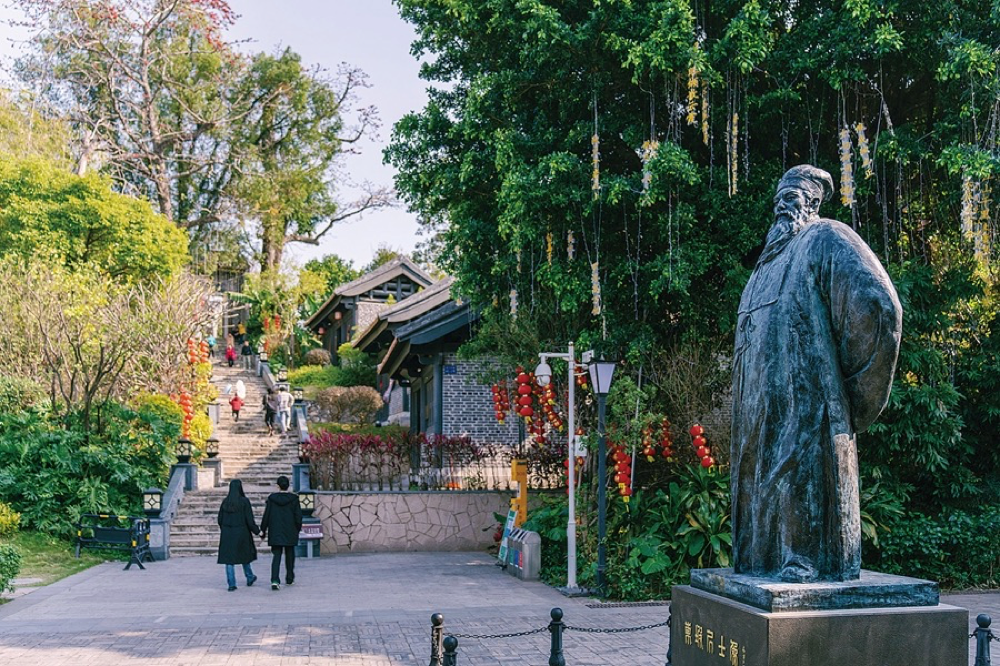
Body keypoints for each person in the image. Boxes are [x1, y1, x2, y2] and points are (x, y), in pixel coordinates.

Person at [730, 164, 902, 583]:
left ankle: (804, 559)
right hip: (759, 407)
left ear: (811, 203)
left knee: (800, 468)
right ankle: (762, 558)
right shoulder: (764, 266)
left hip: (807, 399)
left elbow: (879, 304)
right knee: (759, 476)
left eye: (790, 199)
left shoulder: (825, 238)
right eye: (778, 200)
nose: (781, 208)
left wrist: (848, 391)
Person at [259, 475, 302, 591]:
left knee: (276, 555)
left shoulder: (271, 499)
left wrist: (263, 530)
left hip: (275, 530)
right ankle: (289, 578)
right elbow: (298, 517)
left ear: (278, 486)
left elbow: (266, 515)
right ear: (288, 486)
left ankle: (274, 580)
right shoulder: (294, 499)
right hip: (290, 530)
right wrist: (297, 529)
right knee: (290, 555)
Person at [217, 479, 260, 591]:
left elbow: (220, 519)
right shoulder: (244, 501)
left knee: (229, 559)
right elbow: (249, 520)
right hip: (242, 532)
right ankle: (249, 576)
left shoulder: (225, 502)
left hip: (227, 534)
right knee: (244, 555)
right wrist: (257, 531)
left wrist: (225, 529)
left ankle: (231, 584)